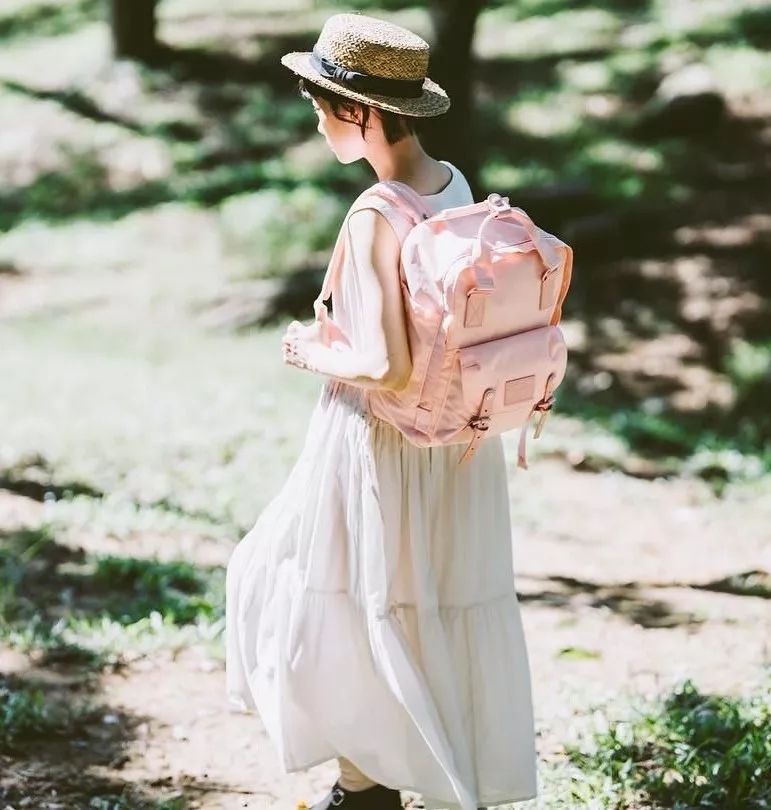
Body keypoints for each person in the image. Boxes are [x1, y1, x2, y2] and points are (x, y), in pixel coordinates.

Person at [225, 12, 538, 810]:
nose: (318, 120)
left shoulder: (373, 211)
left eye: (323, 105)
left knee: (312, 584)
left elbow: (383, 364)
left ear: (359, 113)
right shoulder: (454, 183)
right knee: (424, 601)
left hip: (378, 443)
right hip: (453, 446)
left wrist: (305, 350)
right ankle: (391, 776)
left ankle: (364, 787)